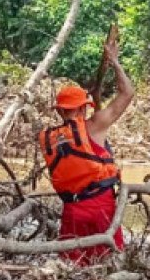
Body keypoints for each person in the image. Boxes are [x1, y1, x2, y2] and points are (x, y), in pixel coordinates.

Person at [38, 37, 134, 265]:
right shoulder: (95, 125)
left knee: (73, 267)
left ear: (60, 111)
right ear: (83, 107)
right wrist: (115, 62)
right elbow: (127, 93)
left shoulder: (49, 139)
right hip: (101, 207)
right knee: (109, 263)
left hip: (72, 210)